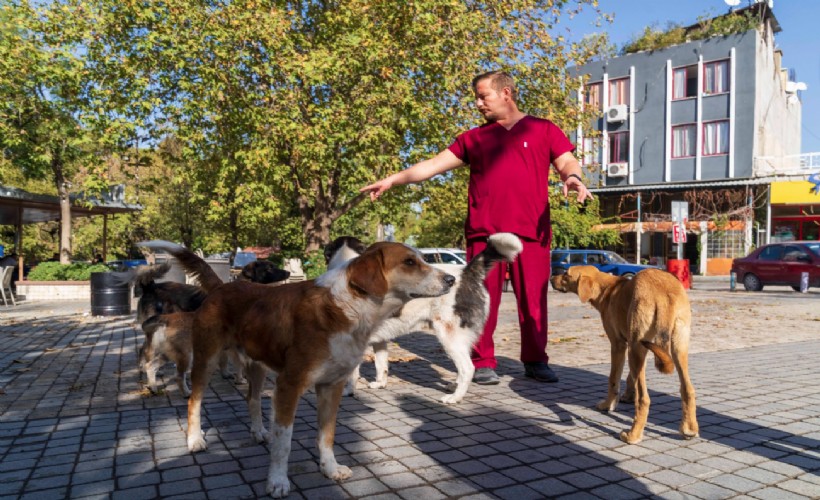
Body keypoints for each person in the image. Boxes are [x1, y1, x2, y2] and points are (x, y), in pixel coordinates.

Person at [361, 70, 593, 385]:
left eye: (483, 96)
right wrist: (392, 179)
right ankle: (482, 361)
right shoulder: (474, 139)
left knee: (534, 300)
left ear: (506, 93)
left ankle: (536, 361)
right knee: (481, 299)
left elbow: (566, 162)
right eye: (477, 97)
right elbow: (431, 166)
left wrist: (574, 179)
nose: (478, 103)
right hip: (486, 233)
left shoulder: (543, 129)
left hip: (531, 233)